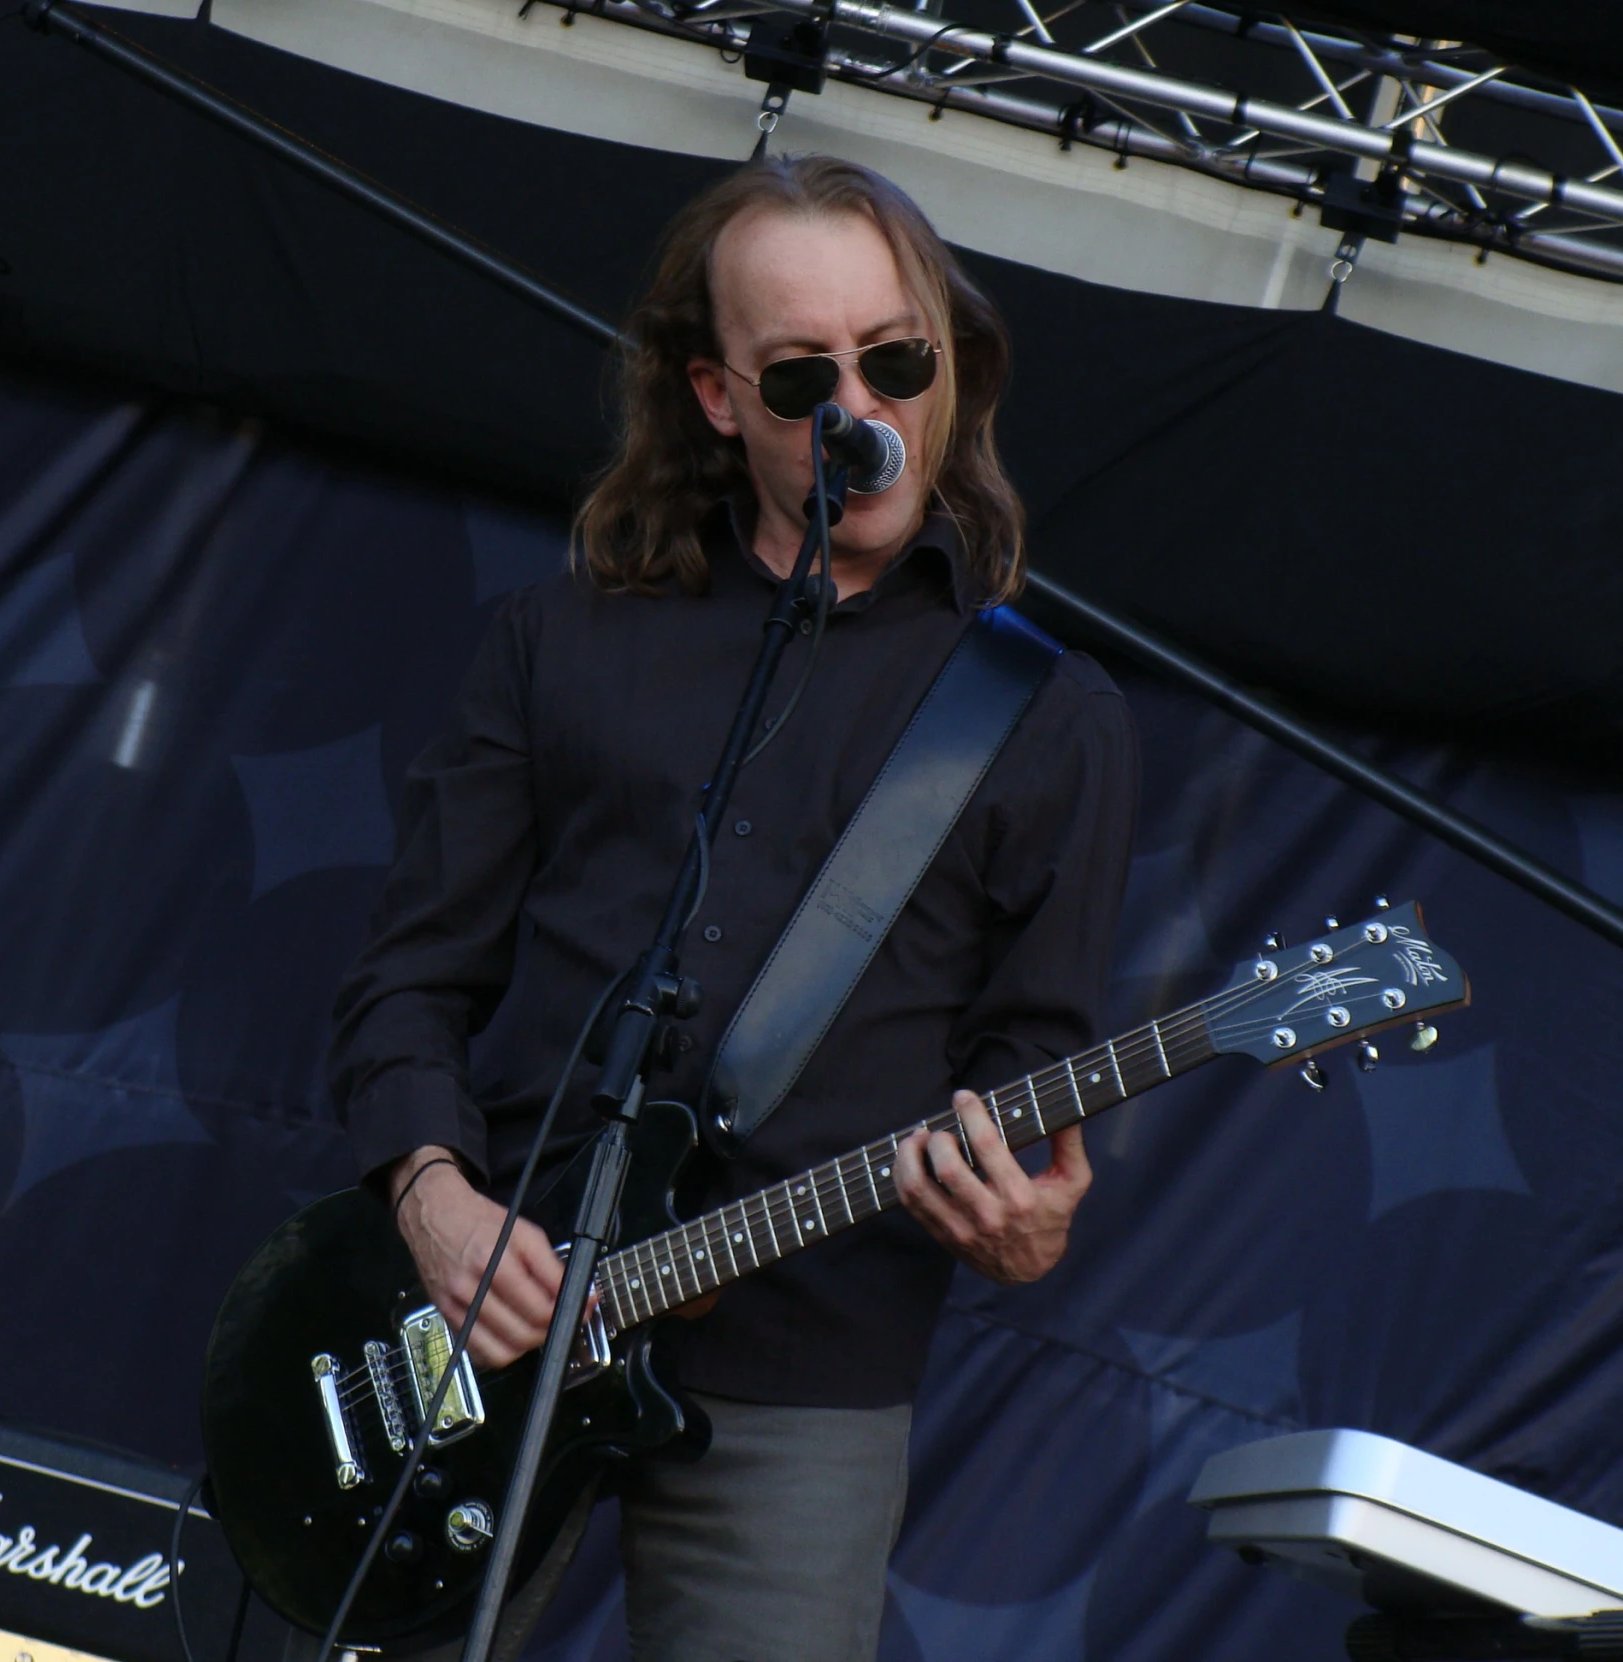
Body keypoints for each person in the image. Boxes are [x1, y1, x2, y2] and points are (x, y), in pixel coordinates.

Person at [330, 154, 1137, 1662]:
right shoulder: (563, 638)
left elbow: (1033, 1074)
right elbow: (404, 981)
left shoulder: (1047, 718)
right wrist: (436, 1201)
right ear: (715, 396)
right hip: (491, 1318)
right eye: (799, 377)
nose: (862, 411)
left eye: (900, 361)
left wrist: (1027, 1224)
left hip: (805, 1365)